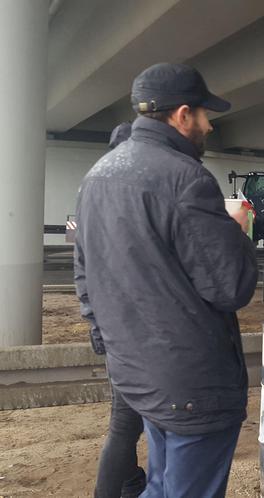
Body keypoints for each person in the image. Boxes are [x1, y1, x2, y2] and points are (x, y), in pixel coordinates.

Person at [74, 62, 258, 498]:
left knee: (160, 486)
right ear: (181, 115)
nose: (209, 126)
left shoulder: (97, 176)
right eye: (203, 114)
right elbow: (231, 287)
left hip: (138, 373)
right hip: (191, 382)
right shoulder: (186, 180)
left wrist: (110, 344)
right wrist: (235, 229)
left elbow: (85, 273)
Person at [87, 121, 146, 498]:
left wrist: (94, 322)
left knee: (125, 422)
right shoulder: (135, 201)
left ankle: (128, 482)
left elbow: (84, 271)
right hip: (137, 333)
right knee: (132, 423)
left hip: (113, 329)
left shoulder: (94, 195)